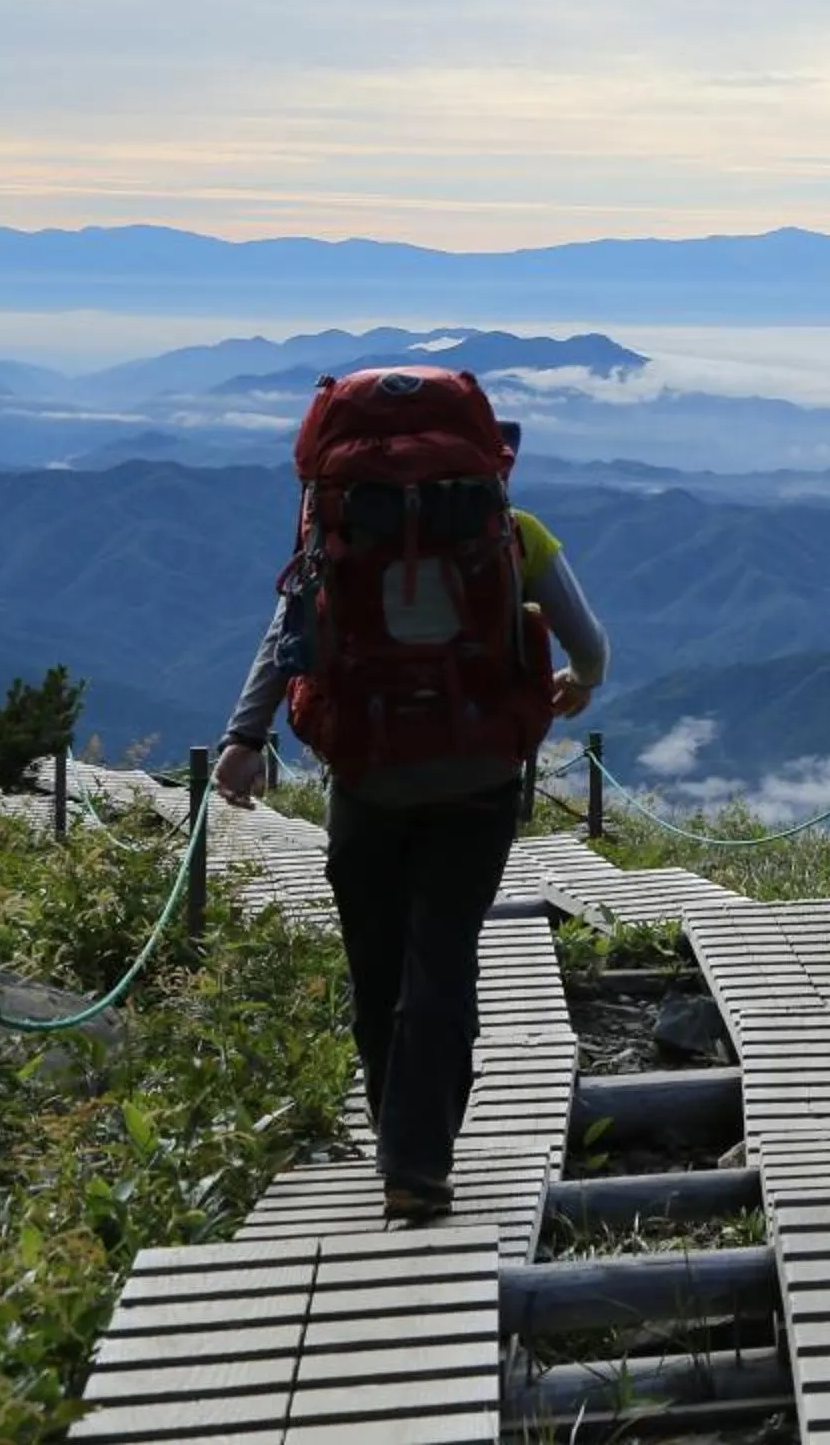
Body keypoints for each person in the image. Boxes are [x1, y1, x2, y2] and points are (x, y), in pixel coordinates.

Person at [212, 396, 607, 1222]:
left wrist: (244, 738)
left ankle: (397, 1131)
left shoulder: (334, 534)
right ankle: (418, 1158)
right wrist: (580, 683)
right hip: (477, 777)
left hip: (368, 775)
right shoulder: (514, 534)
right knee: (443, 955)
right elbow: (590, 643)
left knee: (377, 960)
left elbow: (285, 639)